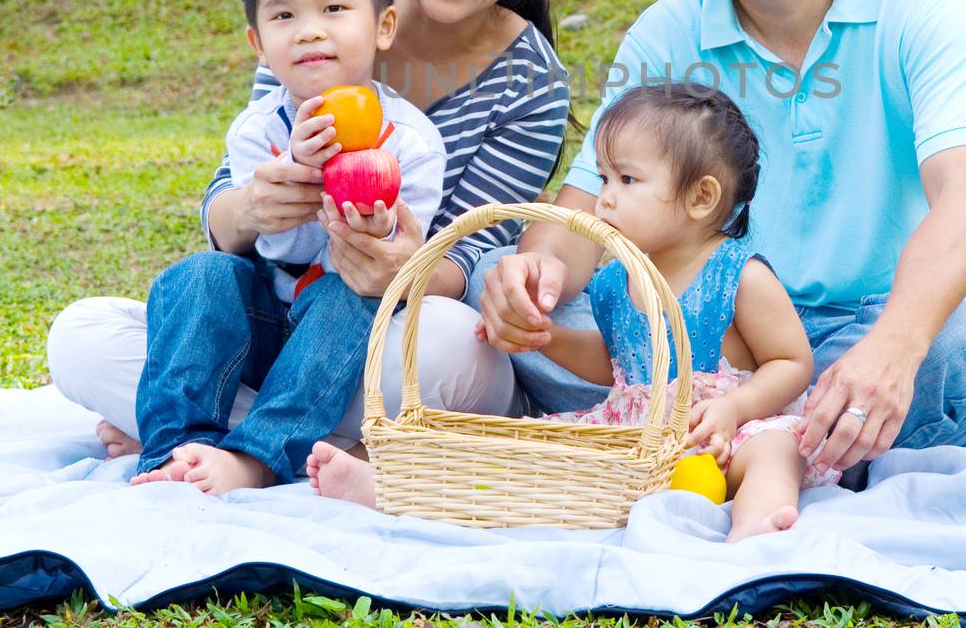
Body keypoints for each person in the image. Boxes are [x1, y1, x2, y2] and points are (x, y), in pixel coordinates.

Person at [475, 0, 966, 483]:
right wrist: (531, 280)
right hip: (721, 348)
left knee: (947, 344)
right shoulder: (669, 32)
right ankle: (769, 449)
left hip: (873, 331)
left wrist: (895, 344)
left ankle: (728, 441)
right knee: (505, 280)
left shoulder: (925, 3)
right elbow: (580, 216)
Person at [47, 0, 572, 462]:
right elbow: (228, 206)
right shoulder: (314, 15)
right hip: (276, 318)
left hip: (390, 322)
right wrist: (255, 207)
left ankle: (205, 421)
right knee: (81, 334)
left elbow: (477, 246)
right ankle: (285, 437)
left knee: (455, 349)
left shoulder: (530, 82)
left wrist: (401, 265)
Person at [310, 83, 835, 541]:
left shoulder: (738, 274)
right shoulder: (615, 280)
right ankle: (396, 486)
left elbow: (792, 363)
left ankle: (758, 521)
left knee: (774, 450)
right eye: (603, 179)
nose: (603, 200)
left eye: (626, 181)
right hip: (635, 434)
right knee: (539, 459)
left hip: (722, 434)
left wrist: (736, 410)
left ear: (700, 198)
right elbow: (614, 361)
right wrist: (550, 339)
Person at [130, 0, 446, 492]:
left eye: (333, 10)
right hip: (261, 323)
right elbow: (273, 246)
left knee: (345, 296)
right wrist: (294, 177)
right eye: (283, 16)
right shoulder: (257, 131)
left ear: (383, 26)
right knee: (199, 275)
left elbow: (395, 264)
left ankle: (254, 457)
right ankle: (173, 447)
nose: (308, 32)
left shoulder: (412, 141)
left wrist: (372, 236)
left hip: (339, 340)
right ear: (257, 42)